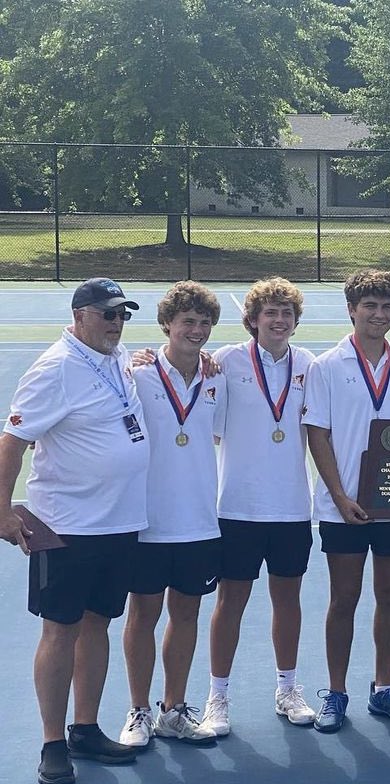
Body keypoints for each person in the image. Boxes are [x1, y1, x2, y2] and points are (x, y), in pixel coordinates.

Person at [0, 277, 146, 784]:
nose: (116, 323)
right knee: (60, 629)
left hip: (119, 521)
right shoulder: (55, 368)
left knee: (97, 623)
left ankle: (85, 728)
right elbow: (13, 442)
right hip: (66, 526)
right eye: (107, 314)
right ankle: (52, 743)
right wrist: (1, 511)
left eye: (122, 315)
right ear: (80, 314)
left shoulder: (118, 359)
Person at [305, 269, 390, 732]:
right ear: (352, 310)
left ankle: (384, 688)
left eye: (387, 307)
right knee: (344, 598)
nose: (379, 315)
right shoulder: (326, 367)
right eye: (370, 306)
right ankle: (336, 693)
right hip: (345, 507)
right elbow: (317, 434)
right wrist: (339, 496)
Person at [201, 277, 317, 736]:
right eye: (271, 313)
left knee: (288, 601)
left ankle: (288, 688)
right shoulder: (224, 362)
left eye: (287, 313)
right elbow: (199, 412)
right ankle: (218, 696)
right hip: (238, 507)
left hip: (291, 507)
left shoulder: (310, 365)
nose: (280, 320)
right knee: (230, 602)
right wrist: (143, 356)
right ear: (253, 320)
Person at [120, 282, 222, 747]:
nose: (196, 331)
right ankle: (138, 711)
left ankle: (172, 709)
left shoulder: (217, 377)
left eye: (204, 323)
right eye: (188, 322)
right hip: (147, 521)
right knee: (142, 615)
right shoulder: (136, 375)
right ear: (167, 325)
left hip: (200, 521)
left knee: (186, 616)